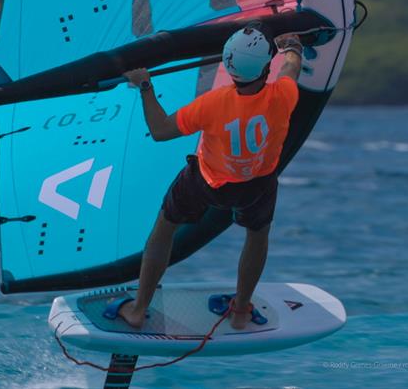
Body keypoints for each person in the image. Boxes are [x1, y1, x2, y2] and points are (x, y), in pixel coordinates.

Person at [108, 26, 303, 330]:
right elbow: (291, 67)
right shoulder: (285, 95)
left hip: (206, 184)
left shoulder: (213, 104)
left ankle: (138, 308)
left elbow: (160, 130)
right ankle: (240, 310)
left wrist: (145, 85)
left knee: (165, 230)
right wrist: (291, 45)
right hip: (256, 186)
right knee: (257, 235)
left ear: (228, 65)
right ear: (267, 68)